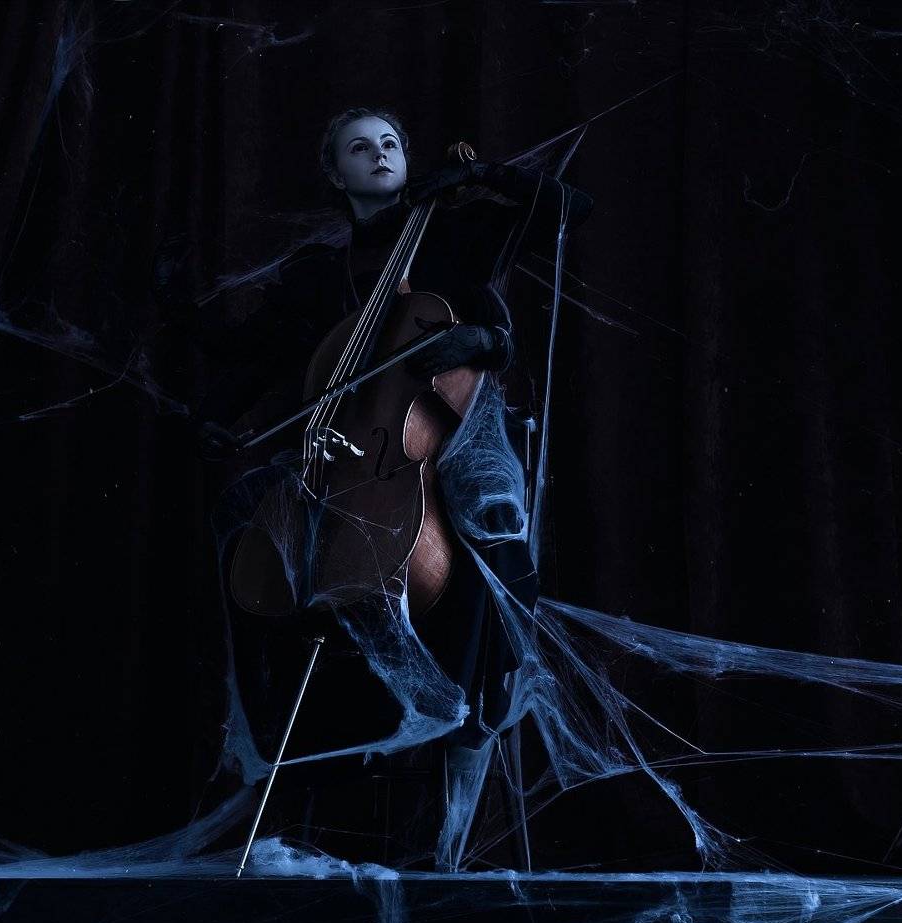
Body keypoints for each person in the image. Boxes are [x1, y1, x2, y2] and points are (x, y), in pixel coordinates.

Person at [156, 106, 593, 870]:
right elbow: (258, 352)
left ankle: (465, 738)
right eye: (361, 148)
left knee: (488, 534)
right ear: (337, 173)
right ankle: (282, 775)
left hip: (463, 435)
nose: (380, 154)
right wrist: (214, 411)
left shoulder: (454, 233)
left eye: (390, 143)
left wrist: (486, 177)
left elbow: (568, 209)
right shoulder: (318, 276)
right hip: (357, 457)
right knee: (252, 538)